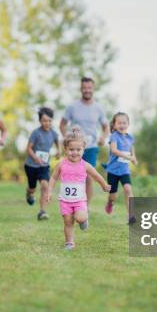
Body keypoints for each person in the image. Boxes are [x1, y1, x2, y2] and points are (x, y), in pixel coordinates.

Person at [48, 128, 111, 250]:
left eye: (78, 150)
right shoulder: (61, 164)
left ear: (83, 150)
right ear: (65, 149)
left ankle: (83, 220)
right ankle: (69, 243)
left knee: (80, 217)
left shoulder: (85, 165)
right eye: (71, 149)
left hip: (79, 200)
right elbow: (53, 178)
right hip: (65, 200)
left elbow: (96, 176)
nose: (75, 152)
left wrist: (103, 185)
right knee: (68, 222)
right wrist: (50, 191)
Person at [59, 77, 109, 225]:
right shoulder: (73, 107)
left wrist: (103, 137)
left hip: (91, 147)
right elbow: (62, 125)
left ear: (93, 89)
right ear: (81, 89)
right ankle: (72, 204)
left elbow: (106, 127)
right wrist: (67, 139)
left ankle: (84, 208)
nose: (87, 90)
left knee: (88, 176)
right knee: (71, 176)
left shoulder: (98, 108)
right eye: (84, 88)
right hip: (74, 147)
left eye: (89, 88)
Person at [24, 107, 60, 220]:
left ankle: (42, 211)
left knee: (45, 186)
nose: (47, 123)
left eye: (49, 120)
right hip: (31, 165)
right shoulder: (36, 133)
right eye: (44, 120)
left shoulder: (54, 133)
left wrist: (59, 150)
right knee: (32, 188)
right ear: (40, 121)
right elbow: (28, 149)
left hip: (44, 166)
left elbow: (57, 142)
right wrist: (35, 158)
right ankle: (29, 193)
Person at [103, 112, 137, 224]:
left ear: (128, 124)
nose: (122, 125)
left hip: (124, 170)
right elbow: (114, 150)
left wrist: (134, 158)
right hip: (113, 170)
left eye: (124, 123)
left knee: (128, 189)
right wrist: (127, 156)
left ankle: (131, 215)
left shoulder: (130, 137)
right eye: (119, 123)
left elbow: (132, 148)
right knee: (113, 196)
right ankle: (110, 203)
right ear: (114, 125)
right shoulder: (114, 136)